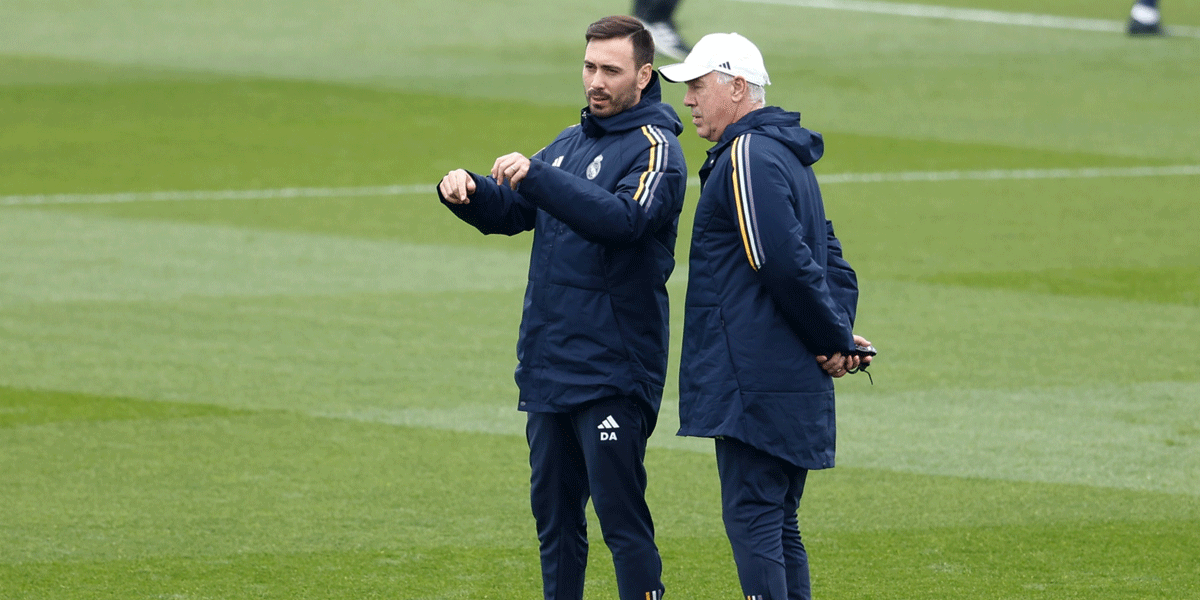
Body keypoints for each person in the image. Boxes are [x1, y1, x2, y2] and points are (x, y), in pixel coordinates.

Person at [436, 15, 687, 600]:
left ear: (644, 75)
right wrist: (471, 192)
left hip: (613, 374)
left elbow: (625, 222)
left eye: (610, 70)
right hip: (551, 370)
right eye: (589, 67)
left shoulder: (658, 151)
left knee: (621, 524)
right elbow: (514, 211)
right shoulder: (570, 144)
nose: (595, 81)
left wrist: (538, 178)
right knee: (555, 525)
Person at [660, 33, 870, 600]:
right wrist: (836, 339)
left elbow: (779, 261)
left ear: (736, 87)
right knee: (779, 522)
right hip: (786, 371)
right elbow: (834, 265)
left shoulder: (747, 155)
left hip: (754, 376)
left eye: (698, 86)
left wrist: (833, 339)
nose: (689, 100)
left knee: (753, 518)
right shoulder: (788, 155)